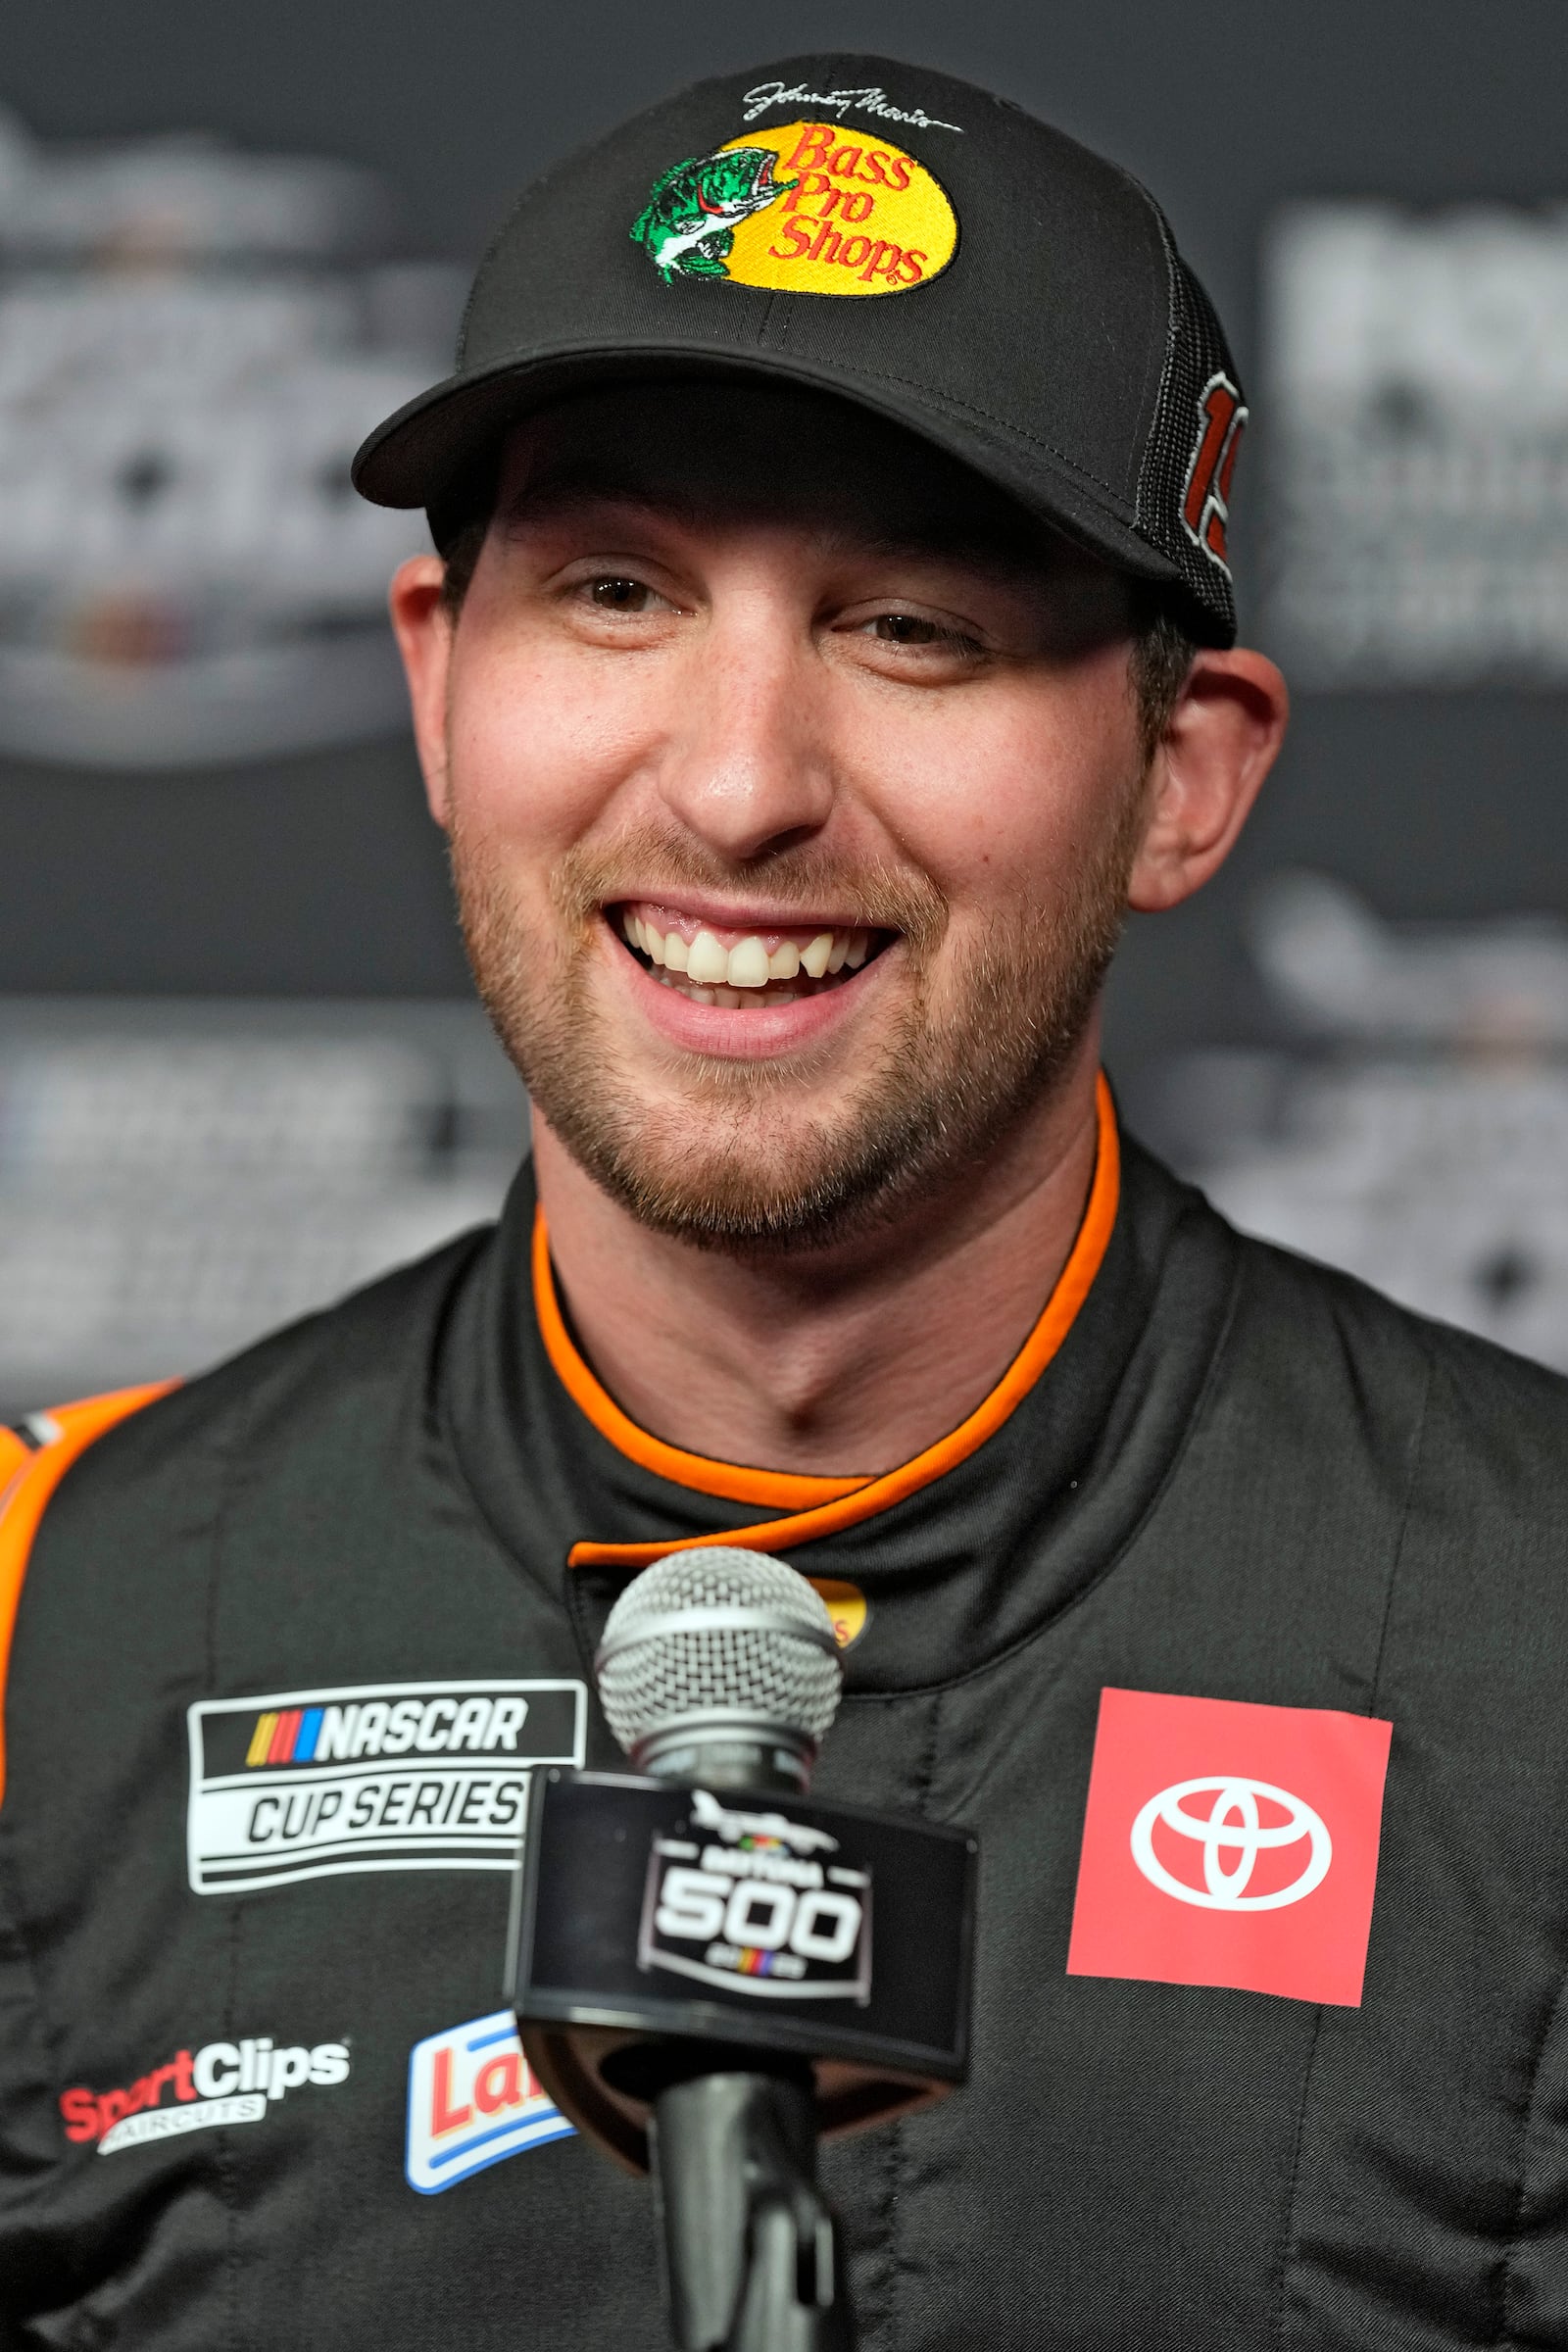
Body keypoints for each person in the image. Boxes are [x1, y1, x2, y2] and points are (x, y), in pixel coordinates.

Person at [4, 50, 1568, 2352]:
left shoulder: (1526, 1636)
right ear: (439, 691)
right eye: (617, 589)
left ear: (1177, 777)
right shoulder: (56, 1620)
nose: (738, 787)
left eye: (912, 625)